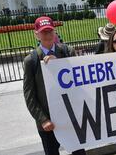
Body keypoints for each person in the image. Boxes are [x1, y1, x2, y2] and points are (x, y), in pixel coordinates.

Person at [23, 16, 86, 155]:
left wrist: (59, 64)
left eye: (50, 31)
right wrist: (43, 119)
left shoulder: (68, 52)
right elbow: (29, 96)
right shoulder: (30, 61)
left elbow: (79, 81)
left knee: (79, 152)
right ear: (36, 34)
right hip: (48, 123)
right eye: (43, 32)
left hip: (70, 117)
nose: (48, 35)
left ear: (55, 31)